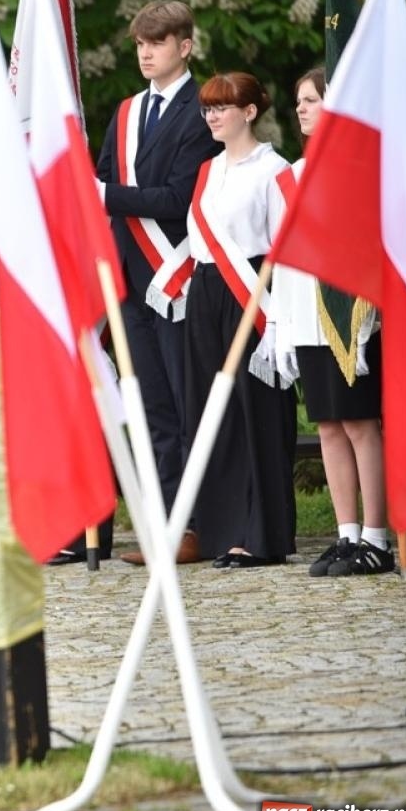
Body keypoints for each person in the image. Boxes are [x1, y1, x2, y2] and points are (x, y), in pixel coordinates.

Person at [95, 0, 220, 566]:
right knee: (148, 406)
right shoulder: (124, 114)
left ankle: (197, 522)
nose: (146, 53)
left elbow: (177, 197)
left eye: (158, 43)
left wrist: (103, 196)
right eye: (140, 44)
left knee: (184, 399)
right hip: (128, 277)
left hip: (178, 276)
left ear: (185, 47)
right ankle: (162, 521)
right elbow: (101, 179)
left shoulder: (204, 110)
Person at [274, 68, 389, 576]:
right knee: (327, 427)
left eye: (312, 99)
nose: (301, 109)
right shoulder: (294, 173)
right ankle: (346, 534)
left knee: (361, 425)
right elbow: (283, 257)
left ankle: (377, 536)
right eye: (298, 100)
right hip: (305, 315)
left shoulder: (362, 168)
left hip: (346, 317)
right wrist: (281, 324)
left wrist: (364, 322)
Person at [184, 72, 297, 567]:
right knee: (215, 413)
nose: (211, 116)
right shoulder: (206, 170)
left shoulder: (275, 171)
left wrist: (278, 321)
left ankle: (260, 533)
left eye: (221, 107)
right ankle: (223, 529)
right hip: (207, 291)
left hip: (253, 290)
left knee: (258, 412)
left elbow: (285, 250)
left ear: (249, 112)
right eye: (208, 108)